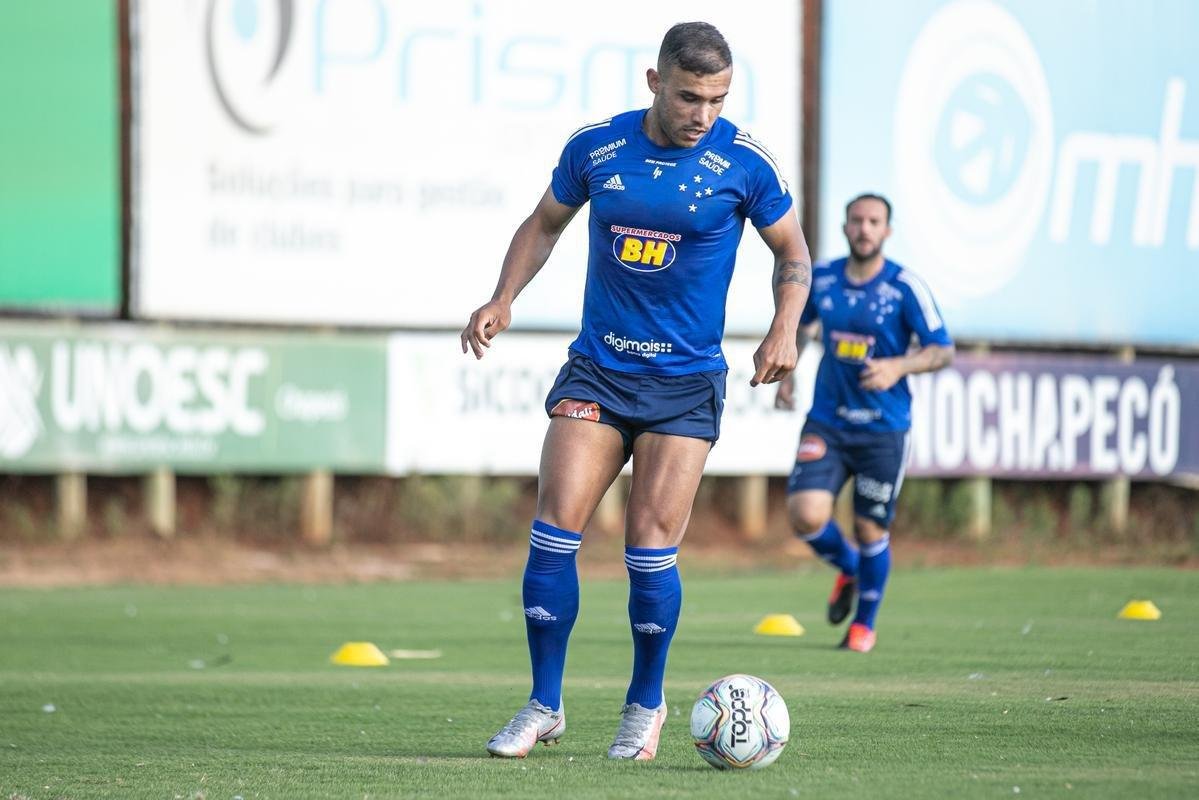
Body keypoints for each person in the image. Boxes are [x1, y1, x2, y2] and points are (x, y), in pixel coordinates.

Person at [461, 22, 812, 760]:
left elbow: (792, 252)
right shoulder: (598, 147)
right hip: (598, 368)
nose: (702, 115)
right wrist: (502, 297)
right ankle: (543, 704)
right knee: (554, 527)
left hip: (683, 383)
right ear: (654, 84)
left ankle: (644, 706)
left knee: (649, 547)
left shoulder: (742, 162)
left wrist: (784, 327)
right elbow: (543, 224)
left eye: (717, 99)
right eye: (689, 97)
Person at [775, 193, 953, 653]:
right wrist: (788, 370)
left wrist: (898, 367)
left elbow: (941, 349)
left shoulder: (904, 287)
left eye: (874, 221)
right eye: (857, 220)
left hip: (884, 428)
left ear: (887, 231)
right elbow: (802, 324)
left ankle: (863, 626)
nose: (865, 229)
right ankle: (852, 568)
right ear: (845, 226)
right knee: (805, 514)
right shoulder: (826, 278)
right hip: (829, 422)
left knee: (871, 527)